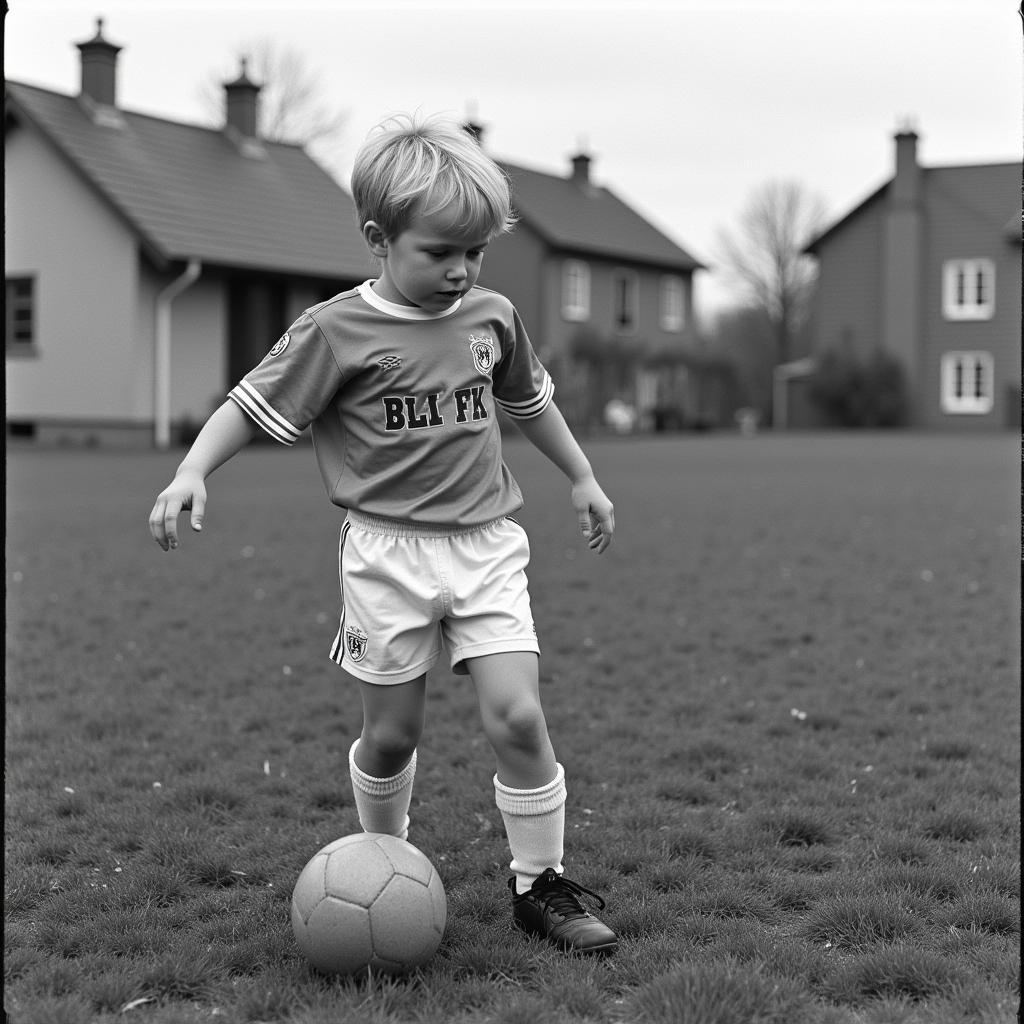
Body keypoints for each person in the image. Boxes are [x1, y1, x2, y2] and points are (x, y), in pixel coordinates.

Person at [149, 113, 618, 955]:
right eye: (439, 252)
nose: (460, 270)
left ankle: (539, 883)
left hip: (487, 547)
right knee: (393, 734)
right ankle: (384, 857)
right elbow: (247, 406)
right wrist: (192, 470)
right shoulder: (336, 330)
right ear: (378, 237)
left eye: (474, 252)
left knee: (517, 716)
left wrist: (580, 475)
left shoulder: (493, 317)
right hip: (385, 557)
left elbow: (529, 402)